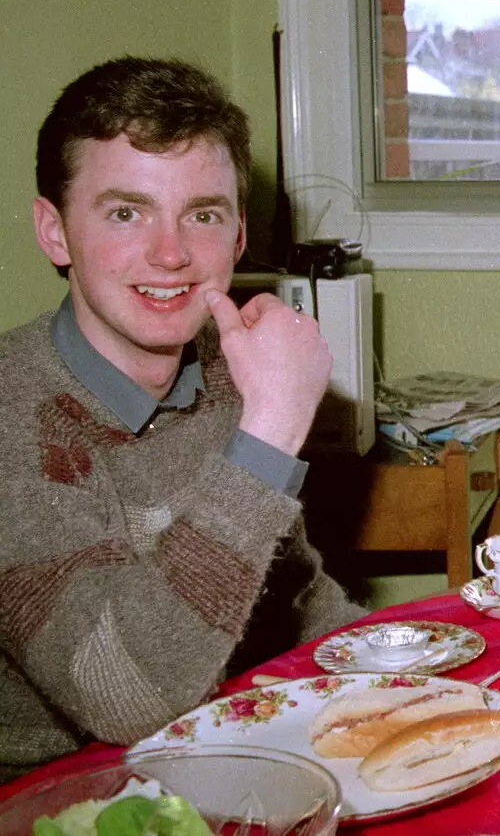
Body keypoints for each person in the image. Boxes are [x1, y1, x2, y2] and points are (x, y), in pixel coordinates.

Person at [0, 57, 364, 779]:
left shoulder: (231, 372)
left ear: (235, 238)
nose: (170, 254)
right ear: (54, 232)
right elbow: (121, 695)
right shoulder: (15, 414)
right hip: (59, 797)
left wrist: (406, 678)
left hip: (229, 758)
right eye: (126, 212)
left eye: (202, 214)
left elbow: (296, 597)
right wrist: (268, 432)